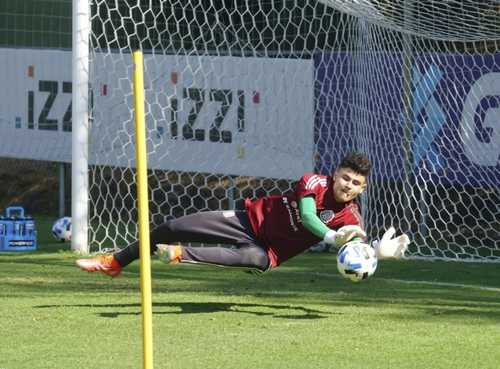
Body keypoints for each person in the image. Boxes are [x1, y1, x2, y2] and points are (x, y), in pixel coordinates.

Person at [76, 152, 409, 277]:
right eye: (346, 178)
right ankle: (116, 262)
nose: (348, 186)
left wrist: (376, 250)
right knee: (172, 225)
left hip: (270, 252)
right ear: (335, 174)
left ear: (363, 190)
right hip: (248, 220)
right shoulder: (314, 181)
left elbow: (358, 244)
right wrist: (332, 236)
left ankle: (178, 255)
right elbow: (308, 216)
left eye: (356, 184)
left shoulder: (351, 215)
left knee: (249, 260)